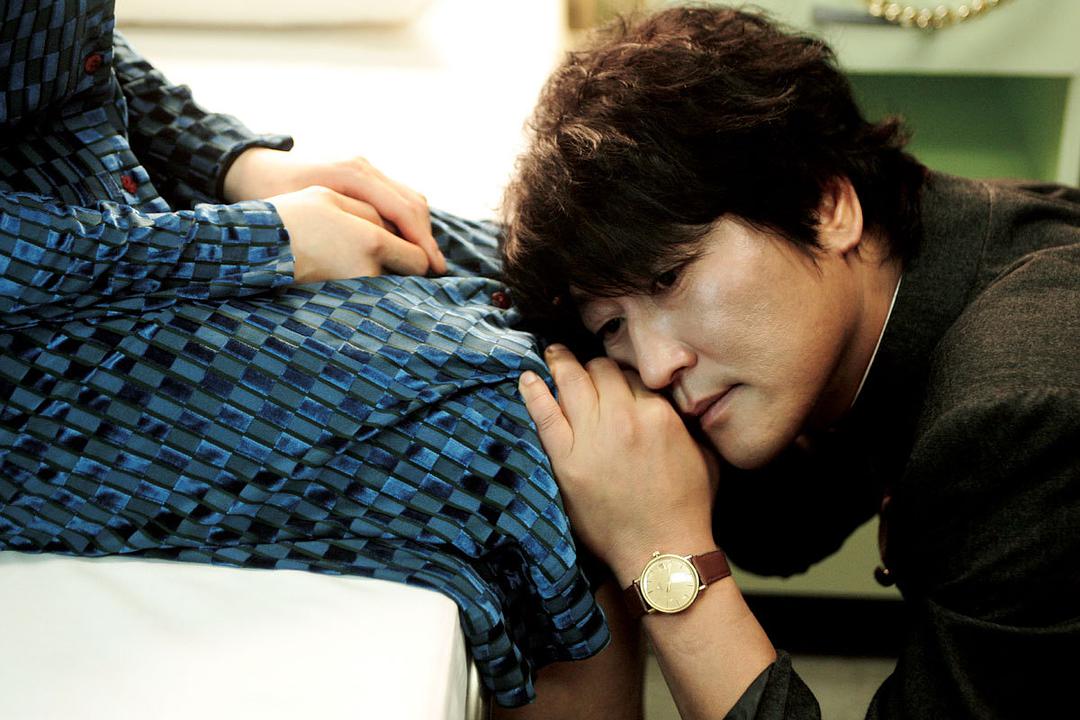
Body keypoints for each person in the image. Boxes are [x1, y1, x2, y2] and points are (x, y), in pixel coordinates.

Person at [1, 2, 614, 706]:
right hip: (31, 337)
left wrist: (237, 163)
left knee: (561, 284)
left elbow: (73, 50)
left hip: (112, 219)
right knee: (533, 421)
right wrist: (257, 242)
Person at [503, 5, 1080, 719]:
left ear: (827, 205)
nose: (653, 367)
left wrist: (661, 550)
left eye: (670, 277)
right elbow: (786, 534)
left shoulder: (1031, 417)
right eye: (613, 325)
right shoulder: (928, 255)